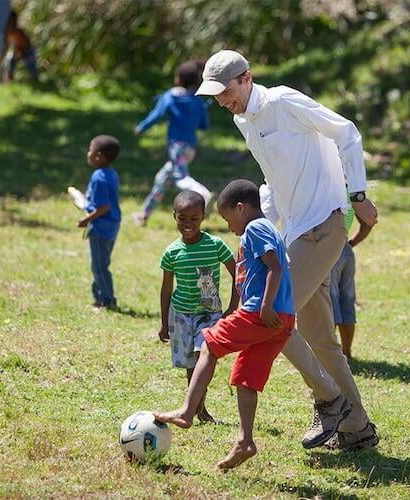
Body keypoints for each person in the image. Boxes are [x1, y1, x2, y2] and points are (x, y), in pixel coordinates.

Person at [195, 50, 379, 450]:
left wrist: (359, 194)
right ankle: (358, 428)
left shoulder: (282, 101)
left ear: (247, 78)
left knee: (273, 318)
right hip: (297, 233)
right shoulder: (245, 120)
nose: (222, 101)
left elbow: (345, 130)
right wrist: (261, 229)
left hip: (325, 225)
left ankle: (330, 402)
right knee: (321, 339)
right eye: (215, 96)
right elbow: (273, 180)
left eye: (225, 91)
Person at [156, 180, 299, 469]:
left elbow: (275, 267)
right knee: (245, 378)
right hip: (282, 320)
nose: (229, 225)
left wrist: (265, 305)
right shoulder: (269, 228)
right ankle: (245, 441)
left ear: (241, 208)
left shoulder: (256, 228)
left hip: (261, 314)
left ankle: (187, 411)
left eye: (227, 218)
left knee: (209, 343)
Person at [158, 190, 238, 423]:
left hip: (209, 314)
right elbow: (166, 290)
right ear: (174, 216)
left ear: (203, 216)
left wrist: (233, 306)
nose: (188, 224)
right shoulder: (172, 252)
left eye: (194, 219)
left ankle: (196, 408)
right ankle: (197, 408)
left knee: (203, 355)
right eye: (182, 218)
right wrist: (165, 323)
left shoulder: (215, 245)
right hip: (181, 315)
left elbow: (238, 274)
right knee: (191, 365)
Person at [132, 60, 214, 227]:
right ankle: (144, 215)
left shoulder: (170, 97)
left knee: (181, 178)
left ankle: (203, 195)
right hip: (190, 149)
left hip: (177, 148)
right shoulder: (197, 101)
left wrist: (141, 127)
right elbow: (204, 126)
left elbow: (156, 115)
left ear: (178, 79)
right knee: (162, 179)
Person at [78, 135, 122, 310]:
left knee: (99, 266)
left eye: (90, 149)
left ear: (99, 156)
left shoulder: (98, 177)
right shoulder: (111, 173)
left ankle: (107, 300)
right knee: (101, 263)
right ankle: (99, 298)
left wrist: (86, 219)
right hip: (112, 226)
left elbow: (104, 207)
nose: (88, 153)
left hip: (101, 228)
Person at [330, 195, 373, 359]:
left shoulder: (327, 187)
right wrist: (351, 244)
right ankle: (346, 351)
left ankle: (330, 355)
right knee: (347, 301)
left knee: (330, 302)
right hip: (345, 249)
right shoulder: (351, 192)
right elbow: (368, 223)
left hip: (328, 249)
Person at [0, 10, 38, 82]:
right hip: (17, 50)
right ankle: (8, 80)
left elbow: (21, 44)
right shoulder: (6, 31)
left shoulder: (16, 31)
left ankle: (35, 81)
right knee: (10, 62)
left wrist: (18, 51)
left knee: (31, 65)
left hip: (27, 49)